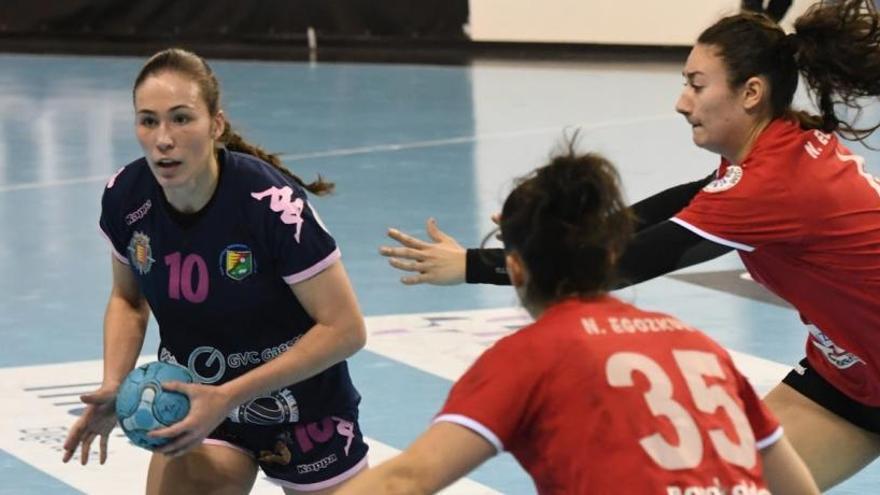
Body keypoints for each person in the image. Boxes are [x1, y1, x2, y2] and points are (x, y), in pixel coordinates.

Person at [378, 0, 880, 490]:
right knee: (724, 483)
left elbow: (621, 265)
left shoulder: (770, 185)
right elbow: (669, 208)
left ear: (751, 92)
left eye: (696, 85)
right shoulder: (771, 149)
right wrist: (559, 231)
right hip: (849, 379)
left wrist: (480, 263)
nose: (682, 101)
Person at [342, 147, 818, 494]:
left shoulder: (533, 355)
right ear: (612, 254)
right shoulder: (697, 346)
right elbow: (797, 488)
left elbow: (405, 480)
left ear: (515, 270)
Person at [61, 48, 369, 495]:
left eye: (181, 119)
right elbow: (129, 300)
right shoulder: (127, 197)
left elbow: (345, 330)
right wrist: (115, 382)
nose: (163, 138)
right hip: (196, 401)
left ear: (216, 124)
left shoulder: (270, 205)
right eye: (148, 121)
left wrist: (229, 396)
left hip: (304, 406)